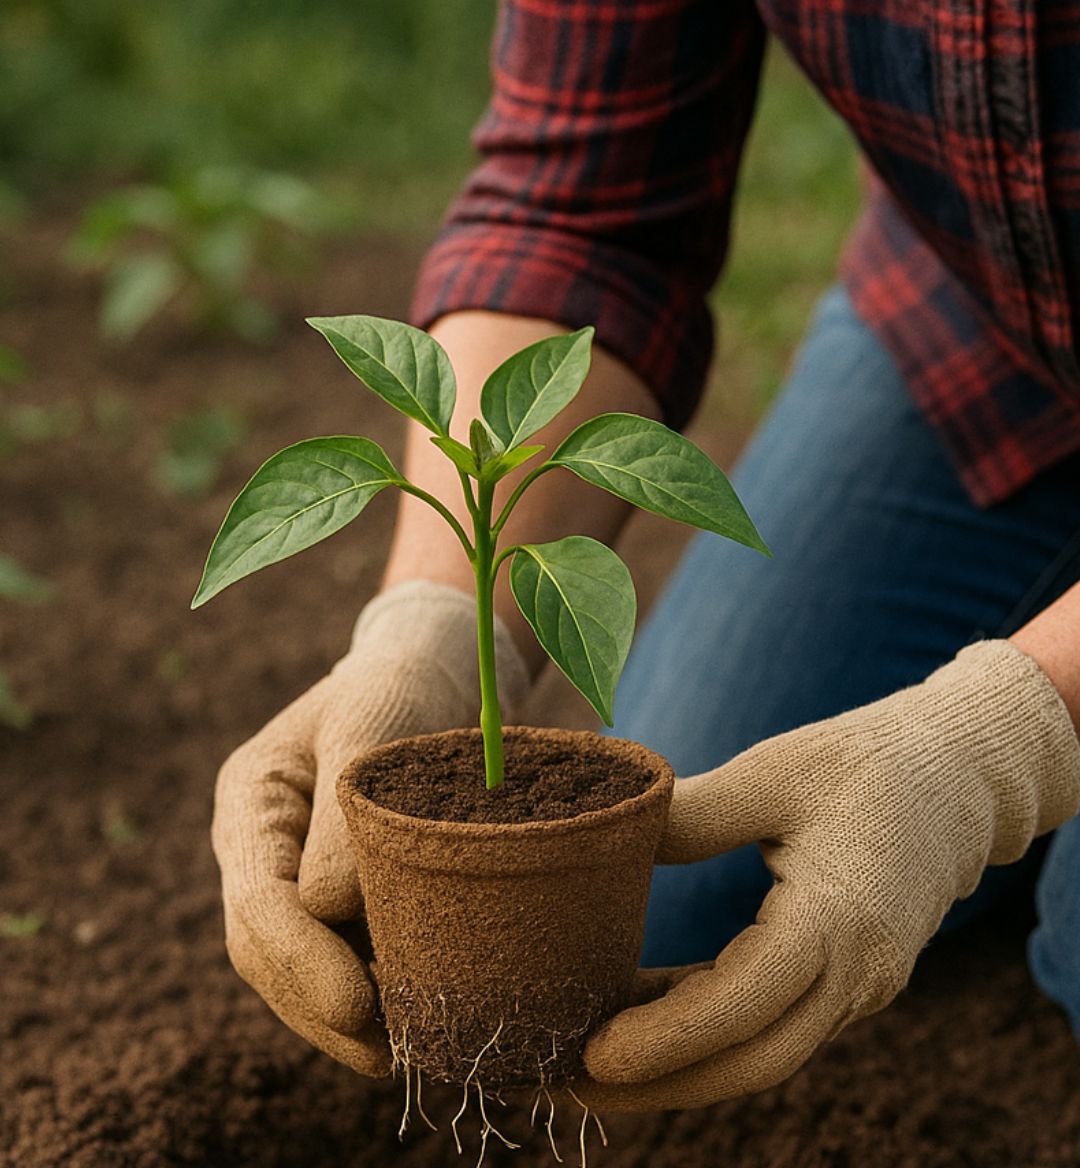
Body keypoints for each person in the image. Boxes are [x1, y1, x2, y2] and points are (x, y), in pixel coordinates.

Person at [211, 0, 1080, 1111]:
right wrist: (429, 624)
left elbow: (984, 753)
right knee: (662, 902)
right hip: (981, 321)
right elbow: (580, 208)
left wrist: (991, 748)